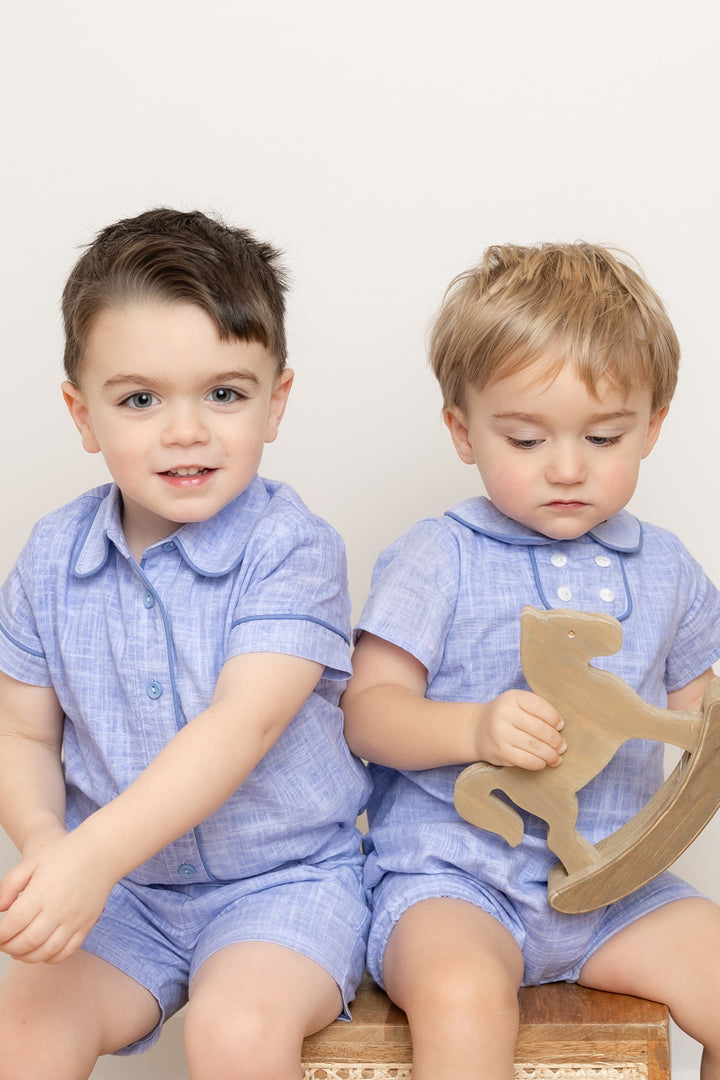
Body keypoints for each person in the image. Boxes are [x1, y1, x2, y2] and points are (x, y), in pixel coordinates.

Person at [0, 208, 370, 1080]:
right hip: (128, 893)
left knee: (235, 1033)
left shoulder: (291, 547)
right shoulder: (53, 557)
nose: (186, 430)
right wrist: (49, 842)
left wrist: (91, 854)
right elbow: (21, 732)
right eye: (139, 399)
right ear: (82, 414)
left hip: (284, 880)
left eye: (224, 393)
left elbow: (241, 724)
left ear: (274, 402)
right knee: (19, 1029)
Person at [342, 242, 720, 1080]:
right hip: (454, 881)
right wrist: (474, 726)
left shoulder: (669, 571)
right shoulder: (438, 557)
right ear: (463, 430)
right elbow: (366, 712)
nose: (567, 467)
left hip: (618, 889)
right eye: (524, 437)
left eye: (603, 434)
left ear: (653, 426)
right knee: (465, 998)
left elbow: (702, 718)